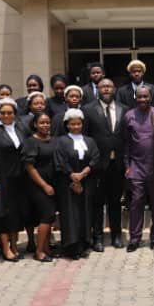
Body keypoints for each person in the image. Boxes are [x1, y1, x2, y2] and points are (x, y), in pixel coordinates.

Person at [82, 78, 127, 250]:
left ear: (114, 89)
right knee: (97, 203)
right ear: (98, 90)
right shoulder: (88, 110)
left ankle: (117, 236)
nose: (106, 89)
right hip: (97, 165)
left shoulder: (124, 109)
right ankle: (98, 238)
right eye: (103, 87)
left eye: (109, 86)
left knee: (115, 202)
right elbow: (85, 138)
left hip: (118, 164)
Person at [0, 98, 27, 262]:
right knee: (2, 214)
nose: (6, 115)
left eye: (9, 113)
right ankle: (5, 248)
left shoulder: (20, 129)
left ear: (15, 114)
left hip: (19, 179)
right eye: (2, 113)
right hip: (2, 179)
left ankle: (14, 246)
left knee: (15, 214)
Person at [121, 86, 154, 251]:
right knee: (136, 203)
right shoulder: (129, 116)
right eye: (139, 97)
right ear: (135, 98)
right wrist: (127, 166)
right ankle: (134, 239)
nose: (142, 99)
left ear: (150, 97)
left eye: (145, 96)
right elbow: (126, 143)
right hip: (136, 166)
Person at [54, 108, 100, 259]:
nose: (75, 126)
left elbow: (95, 158)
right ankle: (71, 247)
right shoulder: (61, 141)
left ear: (82, 124)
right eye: (72, 124)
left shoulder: (89, 140)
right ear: (67, 125)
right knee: (70, 214)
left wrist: (82, 174)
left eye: (78, 124)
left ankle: (84, 244)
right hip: (67, 183)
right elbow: (60, 161)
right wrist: (73, 175)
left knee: (85, 212)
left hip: (87, 182)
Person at [23, 112, 59, 263]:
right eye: (42, 123)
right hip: (38, 185)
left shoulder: (54, 140)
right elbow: (29, 167)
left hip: (53, 183)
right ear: (35, 124)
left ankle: (46, 248)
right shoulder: (31, 142)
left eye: (47, 122)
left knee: (50, 217)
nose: (45, 125)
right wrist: (44, 185)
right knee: (46, 216)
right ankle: (39, 252)